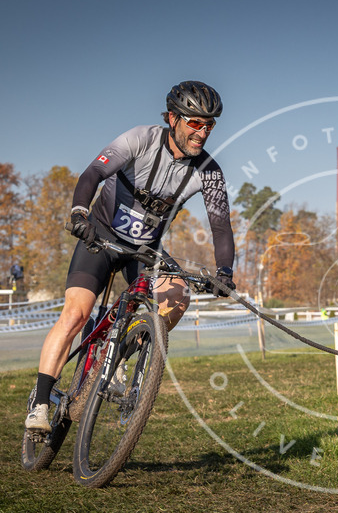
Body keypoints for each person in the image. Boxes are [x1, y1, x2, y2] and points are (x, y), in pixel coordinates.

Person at [25, 80, 237, 434]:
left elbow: (221, 226)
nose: (203, 132)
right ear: (173, 118)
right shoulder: (141, 139)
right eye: (195, 122)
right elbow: (93, 172)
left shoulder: (210, 172)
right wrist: (80, 213)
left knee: (178, 295)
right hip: (101, 236)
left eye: (210, 124)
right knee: (76, 315)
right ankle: (41, 402)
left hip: (145, 249)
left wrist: (225, 272)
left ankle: (123, 352)